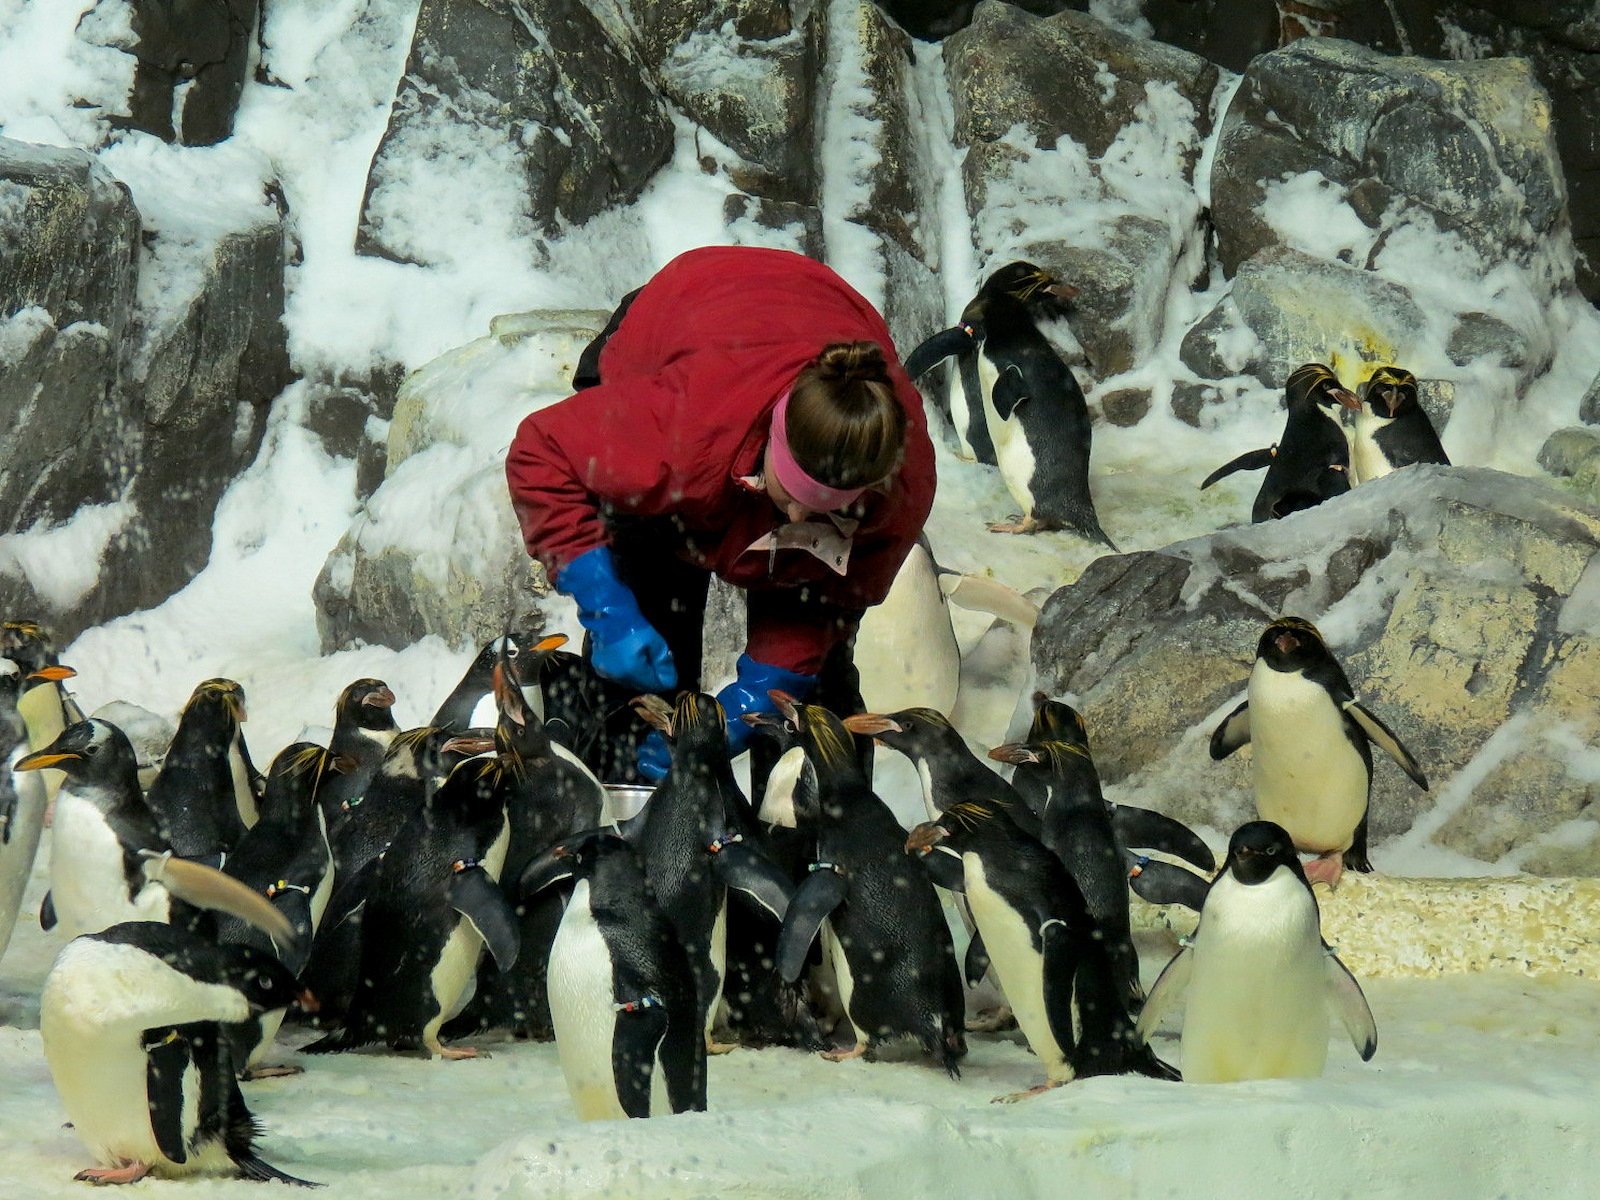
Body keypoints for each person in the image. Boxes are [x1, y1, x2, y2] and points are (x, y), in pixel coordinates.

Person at [504, 245, 936, 782]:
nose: (800, 514)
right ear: (771, 443)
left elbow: (827, 603)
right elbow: (541, 453)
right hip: (680, 321)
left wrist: (763, 689)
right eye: (793, 490)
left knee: (808, 694)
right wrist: (605, 603)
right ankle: (633, 798)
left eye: (828, 508)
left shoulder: (902, 487)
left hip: (809, 321)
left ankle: (797, 826)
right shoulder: (678, 432)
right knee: (653, 617)